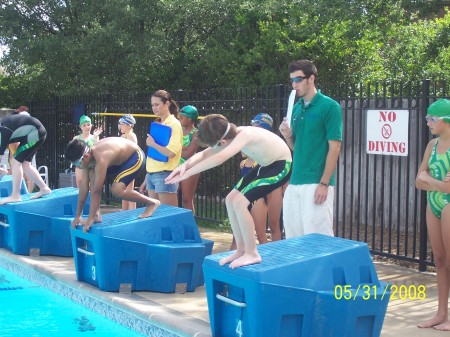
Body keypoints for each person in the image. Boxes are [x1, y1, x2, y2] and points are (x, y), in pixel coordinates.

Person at [166, 114, 291, 269]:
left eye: (217, 145)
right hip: (266, 165)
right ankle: (241, 249)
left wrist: (188, 174)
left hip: (281, 166)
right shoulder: (232, 133)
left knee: (239, 203)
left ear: (223, 142)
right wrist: (184, 166)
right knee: (230, 199)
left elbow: (219, 158)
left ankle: (252, 253)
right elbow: (205, 154)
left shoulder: (245, 134)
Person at [279, 59, 342, 238]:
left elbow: (335, 147)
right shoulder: (297, 109)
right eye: (291, 80)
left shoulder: (329, 106)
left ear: (311, 79)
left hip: (316, 182)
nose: (294, 85)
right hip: (295, 181)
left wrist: (324, 183)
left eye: (298, 79)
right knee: (293, 239)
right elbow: (295, 147)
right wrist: (288, 135)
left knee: (318, 241)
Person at [65, 137, 160, 232]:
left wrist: (90, 219)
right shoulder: (87, 160)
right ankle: (96, 215)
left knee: (116, 189)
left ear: (85, 157)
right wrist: (78, 216)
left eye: (77, 164)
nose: (77, 167)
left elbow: (96, 192)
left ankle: (152, 203)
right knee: (92, 174)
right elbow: (84, 189)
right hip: (118, 161)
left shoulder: (100, 158)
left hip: (135, 156)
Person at [416, 99, 450, 331]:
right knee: (438, 259)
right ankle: (440, 313)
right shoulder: (431, 145)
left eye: (432, 119)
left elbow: (427, 180)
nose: (428, 122)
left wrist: (430, 181)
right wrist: (438, 184)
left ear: (446, 121)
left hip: (448, 204)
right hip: (433, 203)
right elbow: (418, 180)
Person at [139, 90, 182, 207]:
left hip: (165, 174)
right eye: (152, 105)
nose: (154, 108)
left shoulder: (174, 124)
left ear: (167, 104)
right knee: (156, 214)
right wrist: (147, 177)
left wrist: (153, 144)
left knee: (168, 215)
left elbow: (171, 153)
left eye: (157, 104)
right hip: (152, 174)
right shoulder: (158, 123)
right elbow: (154, 154)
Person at [0, 113, 51, 204]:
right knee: (26, 164)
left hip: (35, 132)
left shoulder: (2, 131)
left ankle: (15, 195)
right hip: (34, 132)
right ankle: (44, 188)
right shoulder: (2, 128)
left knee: (15, 162)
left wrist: (2, 171)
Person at [178, 105, 201, 213]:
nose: (179, 120)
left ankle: (191, 227)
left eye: (182, 118)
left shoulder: (196, 133)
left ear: (190, 119)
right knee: (172, 197)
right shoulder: (178, 130)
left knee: (187, 199)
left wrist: (174, 152)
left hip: (190, 167)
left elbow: (189, 154)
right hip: (175, 167)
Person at [73, 115, 103, 187]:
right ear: (81, 127)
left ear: (91, 125)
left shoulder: (94, 137)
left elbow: (97, 149)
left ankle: (90, 198)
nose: (87, 127)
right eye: (84, 125)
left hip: (91, 164)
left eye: (88, 125)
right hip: (80, 164)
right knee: (80, 183)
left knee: (90, 185)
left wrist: (96, 137)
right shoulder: (76, 138)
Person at [118, 114, 138, 210]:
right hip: (123, 166)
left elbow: (133, 153)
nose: (120, 126)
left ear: (129, 125)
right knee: (122, 190)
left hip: (130, 166)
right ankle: (124, 212)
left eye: (122, 124)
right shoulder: (122, 136)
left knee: (129, 190)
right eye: (120, 124)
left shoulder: (131, 136)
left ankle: (131, 213)